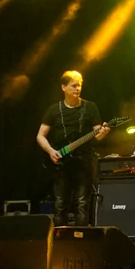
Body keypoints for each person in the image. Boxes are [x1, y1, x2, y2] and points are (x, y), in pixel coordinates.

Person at [36, 70, 109, 226]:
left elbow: (97, 134)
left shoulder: (90, 107)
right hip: (61, 161)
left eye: (79, 85)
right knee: (60, 203)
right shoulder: (54, 110)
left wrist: (103, 132)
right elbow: (40, 135)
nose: (78, 88)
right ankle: (59, 236)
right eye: (74, 85)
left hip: (84, 160)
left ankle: (81, 236)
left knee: (82, 203)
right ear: (64, 87)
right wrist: (51, 151)